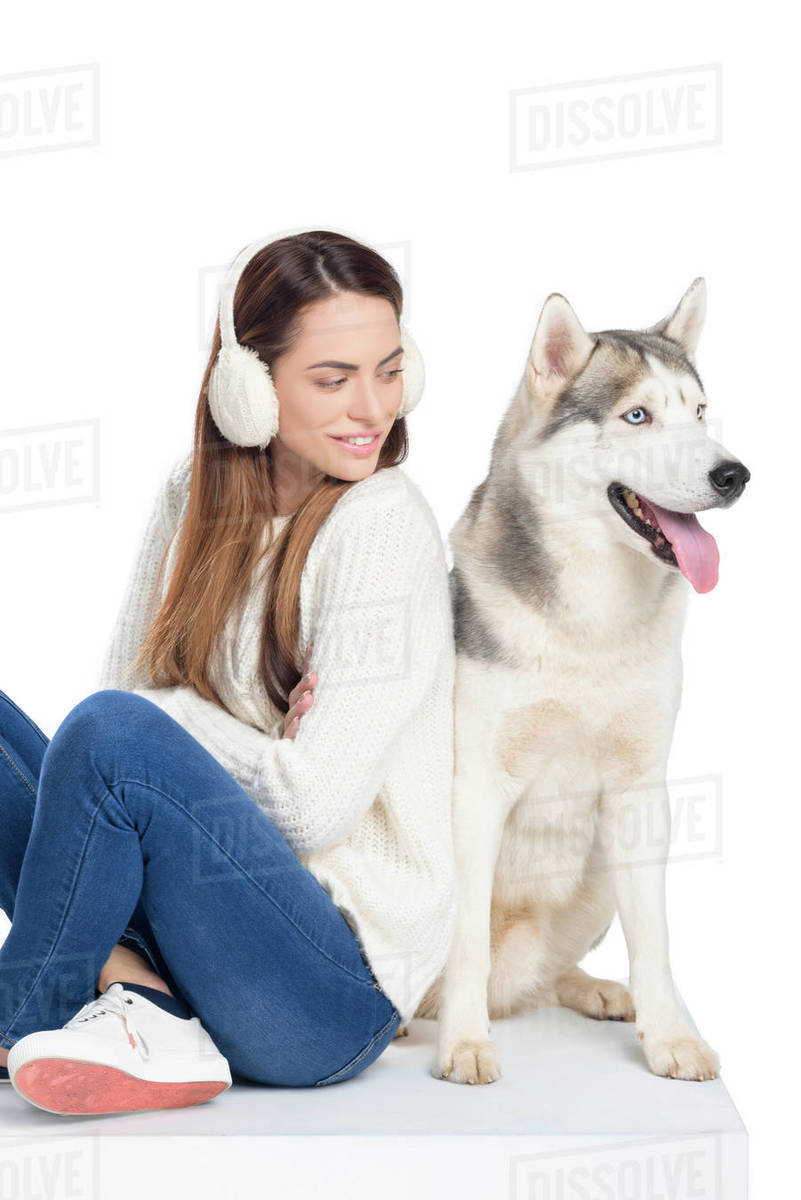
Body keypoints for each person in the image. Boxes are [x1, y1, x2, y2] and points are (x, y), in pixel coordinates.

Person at [0, 229, 457, 1116]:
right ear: (248, 388)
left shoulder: (380, 524)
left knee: (112, 734)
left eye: (390, 370)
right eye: (333, 379)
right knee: (86, 735)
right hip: (202, 932)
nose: (374, 408)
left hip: (326, 991)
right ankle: (147, 998)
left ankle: (20, 1014)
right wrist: (229, 735)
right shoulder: (193, 494)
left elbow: (307, 805)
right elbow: (117, 723)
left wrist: (175, 720)